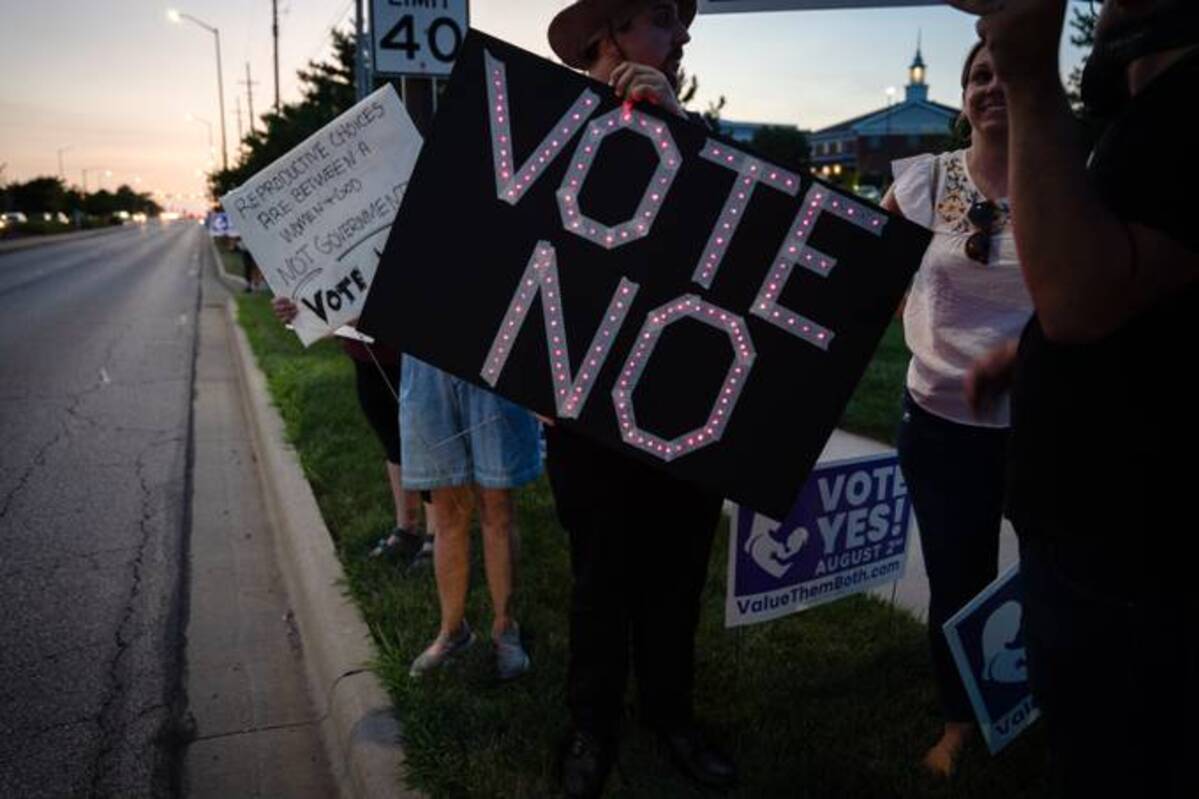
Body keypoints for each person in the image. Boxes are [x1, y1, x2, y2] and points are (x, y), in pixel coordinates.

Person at [951, 1, 1199, 795]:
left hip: (1135, 556)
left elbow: (1081, 296)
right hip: (1093, 535)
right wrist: (1027, 355)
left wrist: (1029, 73)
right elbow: (1140, 287)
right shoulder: (1141, 112)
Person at [545, 2, 736, 796]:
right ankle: (592, 726)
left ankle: (671, 714)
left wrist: (677, 128)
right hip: (585, 406)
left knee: (677, 572)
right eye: (661, 17)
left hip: (684, 401)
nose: (681, 34)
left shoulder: (702, 139)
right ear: (608, 35)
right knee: (599, 576)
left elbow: (733, 241)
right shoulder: (548, 131)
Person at [881, 40, 1032, 777]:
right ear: (962, 96)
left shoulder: (1064, 182)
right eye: (978, 75)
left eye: (1006, 72)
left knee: (1056, 573)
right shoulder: (925, 182)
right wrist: (920, 319)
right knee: (955, 579)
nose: (991, 85)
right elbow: (868, 271)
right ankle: (959, 719)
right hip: (940, 425)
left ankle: (1052, 693)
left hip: (1044, 425)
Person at [270, 297, 432, 565]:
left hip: (412, 350)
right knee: (392, 440)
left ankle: (436, 535)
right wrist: (295, 309)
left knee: (426, 440)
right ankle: (407, 528)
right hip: (364, 351)